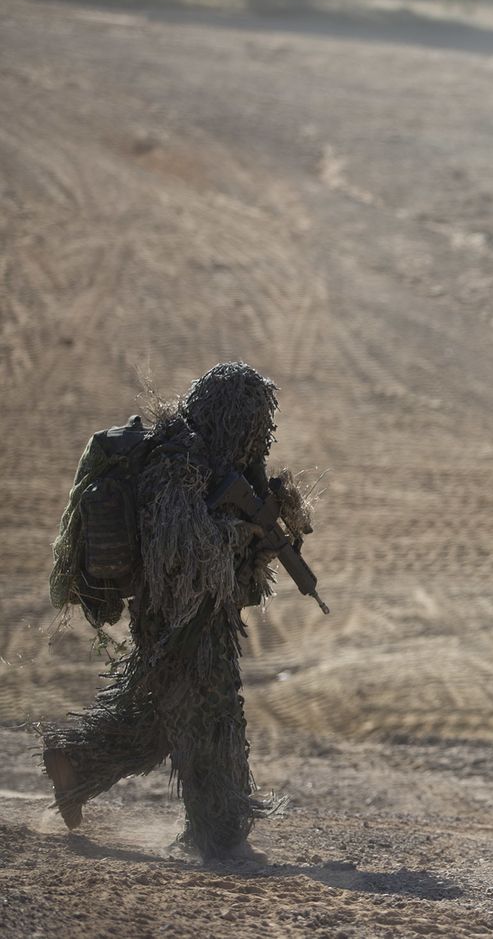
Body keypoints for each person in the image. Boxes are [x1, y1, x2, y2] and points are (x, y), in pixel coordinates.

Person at [41, 361, 312, 861]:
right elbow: (181, 550)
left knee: (158, 721)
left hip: (195, 618)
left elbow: (228, 557)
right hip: (181, 619)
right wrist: (242, 532)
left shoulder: (217, 465)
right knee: (211, 719)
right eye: (252, 424)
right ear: (230, 418)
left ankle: (76, 764)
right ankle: (220, 839)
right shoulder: (179, 462)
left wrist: (270, 529)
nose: (258, 438)